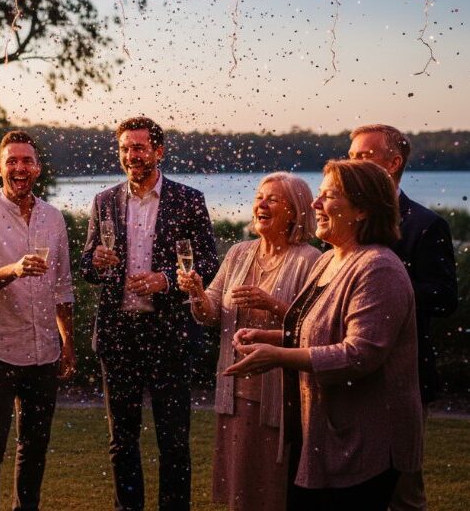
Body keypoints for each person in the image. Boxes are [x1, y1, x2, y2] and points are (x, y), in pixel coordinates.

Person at [226, 159, 423, 511]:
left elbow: (358, 355)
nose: (315, 205)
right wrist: (271, 338)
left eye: (328, 196)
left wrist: (278, 356)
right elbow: (314, 332)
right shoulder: (329, 259)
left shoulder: (378, 267)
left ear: (362, 209)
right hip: (321, 432)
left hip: (365, 440)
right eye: (318, 195)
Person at [80, 116, 219, 511]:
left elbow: (208, 262)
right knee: (121, 440)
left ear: (159, 151)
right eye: (125, 148)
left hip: (169, 335)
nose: (131, 156)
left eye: (139, 148)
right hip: (118, 336)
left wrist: (168, 281)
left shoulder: (188, 199)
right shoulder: (104, 201)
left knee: (173, 439)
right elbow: (88, 266)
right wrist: (97, 261)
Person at [177, 172, 319, 511]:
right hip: (235, 389)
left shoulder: (311, 260)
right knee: (240, 485)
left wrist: (271, 303)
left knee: (273, 485)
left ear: (295, 210)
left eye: (272, 199)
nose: (261, 204)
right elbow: (211, 312)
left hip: (281, 394)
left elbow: (317, 325)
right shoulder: (239, 253)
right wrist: (197, 293)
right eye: (259, 197)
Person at [0, 130, 76, 511]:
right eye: (12, 161)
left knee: (34, 450)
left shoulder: (53, 218)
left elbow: (63, 287)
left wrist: (67, 343)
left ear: (37, 168)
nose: (19, 167)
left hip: (43, 351)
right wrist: (15, 269)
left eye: (26, 161)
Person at [347, 124, 458, 511]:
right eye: (351, 155)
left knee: (402, 491)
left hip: (402, 375)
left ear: (393, 163)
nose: (352, 163)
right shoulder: (343, 221)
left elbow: (444, 298)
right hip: (347, 371)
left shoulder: (425, 224)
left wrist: (384, 289)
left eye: (363, 156)